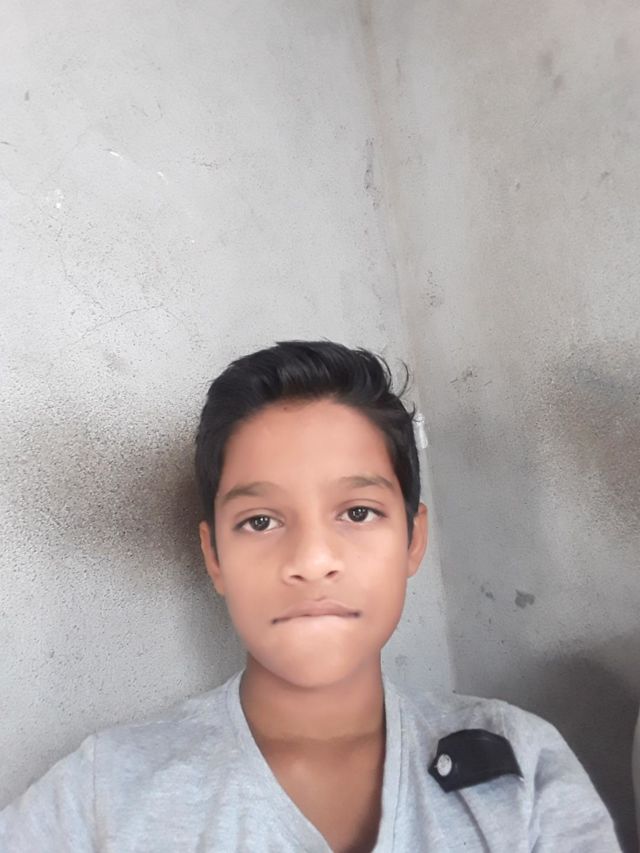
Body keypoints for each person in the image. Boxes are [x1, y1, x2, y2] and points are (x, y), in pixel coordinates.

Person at [0, 340, 621, 852]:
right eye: (260, 521)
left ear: (413, 540)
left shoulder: (519, 765)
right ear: (214, 556)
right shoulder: (104, 794)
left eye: (357, 511)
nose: (311, 561)